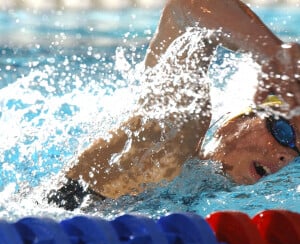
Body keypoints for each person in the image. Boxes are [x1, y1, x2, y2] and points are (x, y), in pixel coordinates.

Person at [47, 0, 300, 210]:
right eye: (284, 132)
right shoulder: (173, 135)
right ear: (241, 117)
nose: (286, 156)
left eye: (298, 153)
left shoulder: (198, 186)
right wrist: (270, 53)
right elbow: (186, 8)